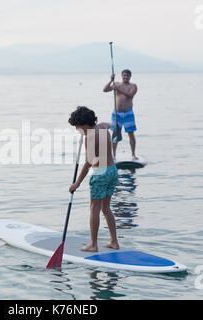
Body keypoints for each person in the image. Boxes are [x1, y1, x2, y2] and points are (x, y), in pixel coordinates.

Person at [68, 106, 120, 252]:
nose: (78, 130)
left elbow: (88, 162)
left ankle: (93, 244)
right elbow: (111, 124)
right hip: (112, 170)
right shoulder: (103, 127)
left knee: (94, 208)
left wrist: (77, 183)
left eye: (78, 127)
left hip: (100, 174)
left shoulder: (89, 137)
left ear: (84, 124)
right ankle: (114, 242)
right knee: (106, 208)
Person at [103, 69, 138, 161]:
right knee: (115, 134)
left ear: (130, 76)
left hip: (128, 113)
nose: (125, 77)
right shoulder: (117, 84)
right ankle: (113, 155)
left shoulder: (133, 86)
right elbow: (105, 90)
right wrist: (111, 80)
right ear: (122, 76)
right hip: (117, 114)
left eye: (127, 75)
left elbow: (130, 95)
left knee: (131, 134)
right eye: (124, 75)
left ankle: (133, 154)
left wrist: (119, 89)